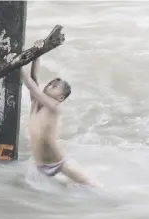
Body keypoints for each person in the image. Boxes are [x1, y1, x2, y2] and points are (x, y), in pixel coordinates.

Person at [21, 39, 101, 188]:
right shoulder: (36, 102)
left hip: (59, 163)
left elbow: (32, 88)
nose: (50, 85)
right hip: (39, 164)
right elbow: (34, 79)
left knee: (92, 186)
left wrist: (17, 66)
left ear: (61, 98)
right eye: (50, 83)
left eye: (55, 86)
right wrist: (38, 55)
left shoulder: (54, 107)